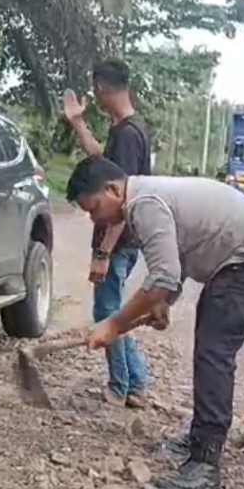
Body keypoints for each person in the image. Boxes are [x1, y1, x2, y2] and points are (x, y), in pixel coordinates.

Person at [69, 156, 244, 489]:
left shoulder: (144, 204)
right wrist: (163, 301)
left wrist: (114, 324)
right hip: (242, 259)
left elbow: (163, 276)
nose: (95, 218)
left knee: (213, 354)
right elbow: (173, 263)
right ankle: (200, 439)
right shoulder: (144, 198)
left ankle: (206, 464)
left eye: (93, 208)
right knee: (208, 349)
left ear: (112, 189)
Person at [62, 59, 152, 408]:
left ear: (101, 86)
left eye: (95, 89)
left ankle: (124, 384)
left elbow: (120, 199)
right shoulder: (125, 130)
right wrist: (78, 122)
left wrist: (103, 252)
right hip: (121, 242)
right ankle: (134, 383)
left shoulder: (128, 135)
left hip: (119, 242)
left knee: (108, 312)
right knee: (111, 309)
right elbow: (101, 162)